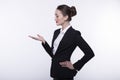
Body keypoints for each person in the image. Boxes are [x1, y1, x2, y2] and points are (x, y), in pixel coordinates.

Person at [29, 4, 95, 80]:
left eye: (57, 16)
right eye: (55, 16)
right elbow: (54, 55)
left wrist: (75, 66)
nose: (55, 18)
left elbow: (90, 53)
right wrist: (44, 42)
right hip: (55, 73)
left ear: (66, 17)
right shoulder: (56, 32)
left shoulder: (74, 34)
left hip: (66, 75)